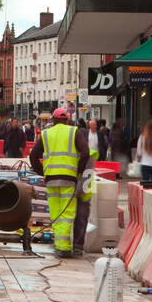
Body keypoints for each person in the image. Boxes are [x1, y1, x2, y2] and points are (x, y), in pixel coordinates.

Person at [29, 107, 91, 259]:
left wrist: (43, 172)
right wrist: (78, 171)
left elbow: (33, 156)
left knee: (56, 213)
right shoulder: (74, 132)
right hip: (69, 179)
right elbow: (86, 152)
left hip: (51, 179)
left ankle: (59, 245)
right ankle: (63, 247)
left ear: (53, 120)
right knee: (66, 213)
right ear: (67, 120)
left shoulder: (46, 134)